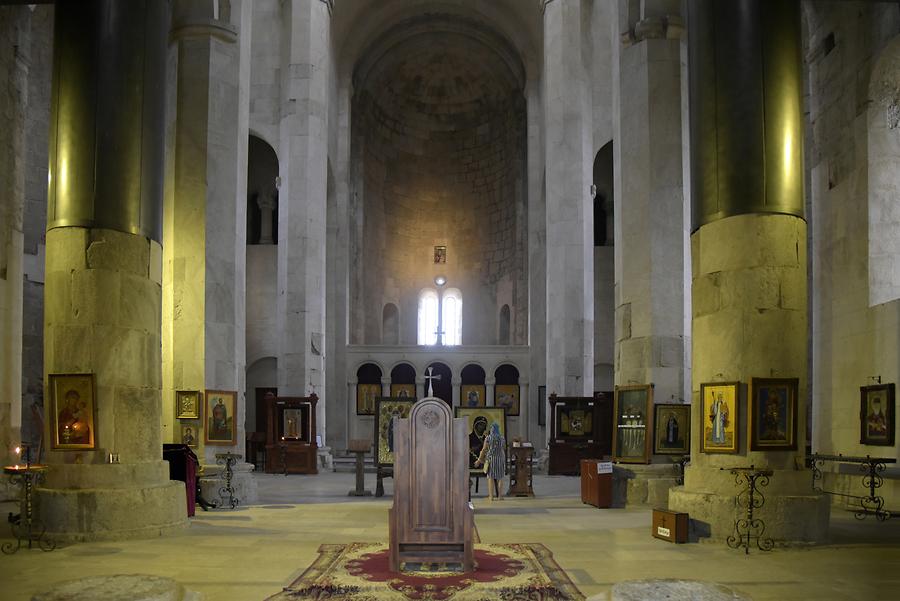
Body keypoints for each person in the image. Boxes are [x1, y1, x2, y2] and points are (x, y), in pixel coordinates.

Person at [475, 422, 506, 501]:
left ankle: (491, 496)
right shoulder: (502, 438)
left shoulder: (488, 438)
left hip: (491, 459)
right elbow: (503, 448)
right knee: (500, 478)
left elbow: (484, 449)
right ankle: (500, 496)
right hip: (500, 459)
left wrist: (479, 460)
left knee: (491, 478)